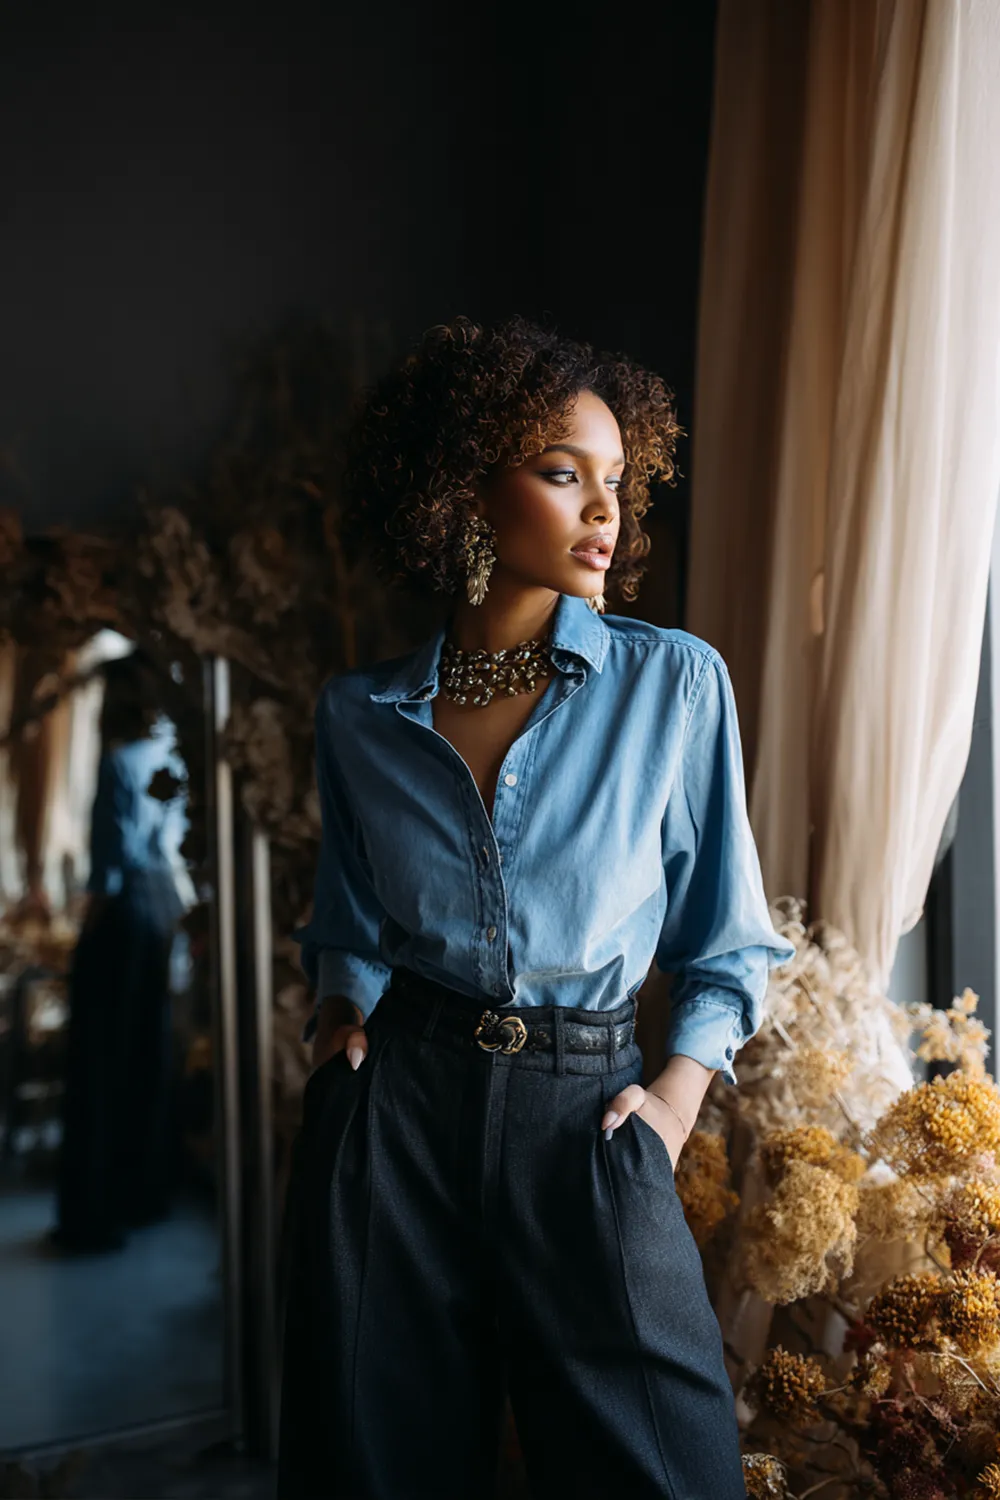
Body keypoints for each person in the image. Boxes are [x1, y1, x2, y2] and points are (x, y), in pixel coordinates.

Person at [277, 315, 795, 1499]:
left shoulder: (672, 685)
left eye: (617, 481)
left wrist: (671, 1104)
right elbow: (348, 926)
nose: (605, 511)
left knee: (667, 1472)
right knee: (376, 1469)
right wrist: (336, 1030)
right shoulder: (358, 716)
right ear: (464, 488)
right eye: (565, 476)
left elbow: (727, 941)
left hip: (589, 1119)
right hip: (395, 1118)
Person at [52, 650, 187, 1253]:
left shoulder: (115, 763)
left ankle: (93, 1216)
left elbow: (109, 865)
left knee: (99, 1062)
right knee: (147, 1052)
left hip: (124, 911)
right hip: (161, 908)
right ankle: (143, 1196)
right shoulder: (169, 757)